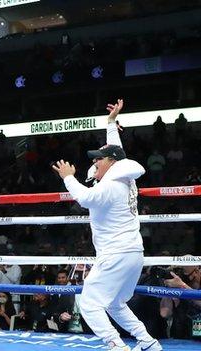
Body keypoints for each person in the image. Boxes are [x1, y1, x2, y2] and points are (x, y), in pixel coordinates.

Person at [52, 99, 162, 351]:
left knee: (90, 303)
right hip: (133, 252)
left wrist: (68, 177)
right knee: (115, 304)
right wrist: (111, 123)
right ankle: (148, 342)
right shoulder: (124, 178)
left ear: (111, 162)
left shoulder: (111, 185)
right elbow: (117, 150)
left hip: (115, 254)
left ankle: (116, 345)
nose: (95, 163)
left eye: (99, 160)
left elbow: (85, 198)